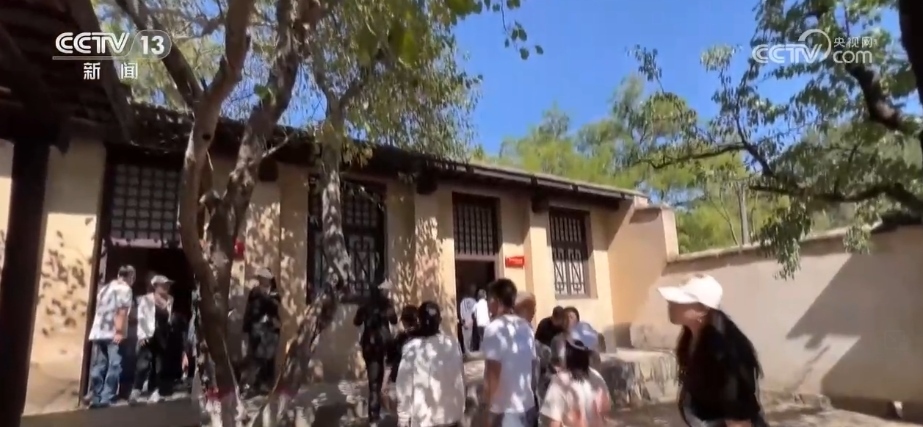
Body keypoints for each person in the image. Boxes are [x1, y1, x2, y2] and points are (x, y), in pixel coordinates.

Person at [658, 274, 768, 427]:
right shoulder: (691, 338)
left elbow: (739, 418)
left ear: (703, 309)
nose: (671, 304)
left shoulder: (727, 351)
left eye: (680, 300)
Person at [394, 301, 466, 427]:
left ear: (419, 321)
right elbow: (461, 378)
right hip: (452, 416)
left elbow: (404, 386)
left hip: (426, 420)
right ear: (440, 321)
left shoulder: (412, 348)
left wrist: (403, 417)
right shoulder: (452, 344)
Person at [481, 278, 538, 427]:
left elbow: (493, 374)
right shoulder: (526, 327)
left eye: (489, 299)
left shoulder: (494, 328)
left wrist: (488, 411)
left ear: (495, 301)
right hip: (527, 405)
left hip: (505, 411)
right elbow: (532, 367)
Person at [540, 325, 611, 427]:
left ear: (568, 350)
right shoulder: (598, 378)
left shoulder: (560, 382)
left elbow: (554, 423)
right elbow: (605, 415)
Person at [86, 265, 135, 408]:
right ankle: (107, 397)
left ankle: (96, 395)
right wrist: (119, 331)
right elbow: (122, 311)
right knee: (115, 364)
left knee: (99, 364)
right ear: (130, 276)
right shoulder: (125, 289)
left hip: (99, 331)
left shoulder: (105, 288)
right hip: (112, 331)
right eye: (133, 277)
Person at [353, 280, 398, 425]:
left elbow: (357, 322)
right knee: (378, 382)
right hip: (383, 345)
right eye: (385, 289)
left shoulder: (365, 305)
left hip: (370, 346)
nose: (387, 291)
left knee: (374, 383)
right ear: (380, 290)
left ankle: (375, 414)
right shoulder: (386, 304)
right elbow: (394, 320)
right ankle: (375, 415)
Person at [130, 274, 174, 404]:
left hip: (162, 335)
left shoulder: (170, 299)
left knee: (158, 365)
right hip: (148, 334)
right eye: (164, 285)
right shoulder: (147, 299)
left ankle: (154, 392)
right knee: (143, 364)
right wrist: (142, 335)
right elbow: (141, 317)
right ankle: (135, 392)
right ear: (156, 286)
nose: (166, 287)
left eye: (168, 285)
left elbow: (168, 318)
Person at [241, 267, 281, 397]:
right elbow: (249, 311)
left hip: (270, 332)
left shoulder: (274, 294)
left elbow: (274, 307)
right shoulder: (254, 293)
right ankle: (251, 386)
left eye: (262, 277)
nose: (260, 279)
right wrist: (246, 329)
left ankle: (265, 385)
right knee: (255, 359)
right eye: (259, 277)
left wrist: (265, 297)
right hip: (256, 331)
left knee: (268, 359)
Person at [458, 286, 478, 354]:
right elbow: (475, 313)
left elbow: (461, 313)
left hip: (465, 323)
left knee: (466, 341)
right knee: (472, 340)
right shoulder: (474, 301)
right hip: (472, 323)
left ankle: (467, 353)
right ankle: (471, 353)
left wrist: (463, 322)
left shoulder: (462, 302)